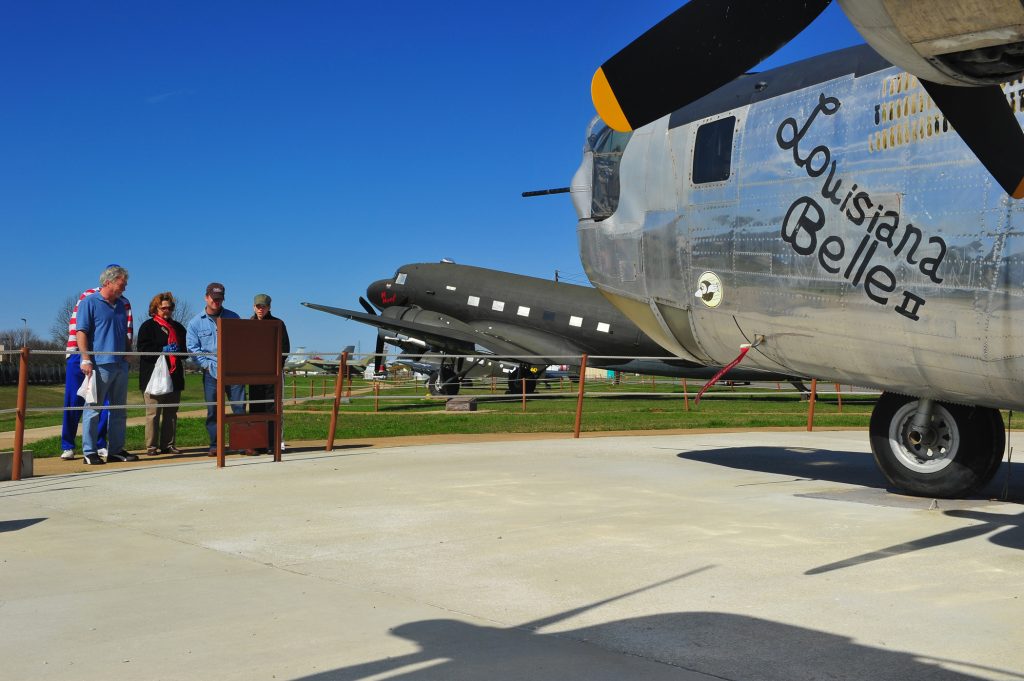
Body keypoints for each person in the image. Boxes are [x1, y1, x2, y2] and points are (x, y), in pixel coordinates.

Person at [77, 265, 136, 464]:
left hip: (120, 364)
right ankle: (89, 451)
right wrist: (85, 358)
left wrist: (129, 351)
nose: (125, 288)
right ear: (108, 282)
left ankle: (116, 450)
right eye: (122, 284)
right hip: (100, 365)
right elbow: (82, 332)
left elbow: (123, 331)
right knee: (93, 408)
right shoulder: (89, 302)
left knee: (119, 410)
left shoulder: (121, 305)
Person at [186, 282, 245, 456]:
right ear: (206, 297)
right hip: (211, 373)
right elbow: (192, 349)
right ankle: (215, 445)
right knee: (213, 410)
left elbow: (242, 342)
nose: (216, 302)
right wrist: (206, 365)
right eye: (213, 298)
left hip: (233, 372)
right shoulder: (195, 323)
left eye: (219, 299)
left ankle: (241, 443)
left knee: (239, 408)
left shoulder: (233, 317)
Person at [136, 292, 187, 455]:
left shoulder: (178, 328)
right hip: (154, 378)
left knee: (171, 413)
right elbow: (143, 350)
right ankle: (151, 446)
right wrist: (162, 350)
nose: (167, 311)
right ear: (155, 308)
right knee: (153, 413)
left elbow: (186, 352)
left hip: (174, 376)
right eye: (163, 308)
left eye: (170, 308)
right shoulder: (147, 326)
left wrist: (178, 351)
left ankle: (168, 444)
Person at [249, 293, 290, 453]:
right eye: (258, 306)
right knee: (256, 408)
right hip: (254, 375)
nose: (260, 309)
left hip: (272, 375)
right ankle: (258, 443)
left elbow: (285, 348)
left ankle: (273, 444)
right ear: (254, 307)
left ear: (269, 308)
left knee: (272, 408)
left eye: (263, 306)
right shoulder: (249, 324)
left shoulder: (278, 324)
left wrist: (276, 367)